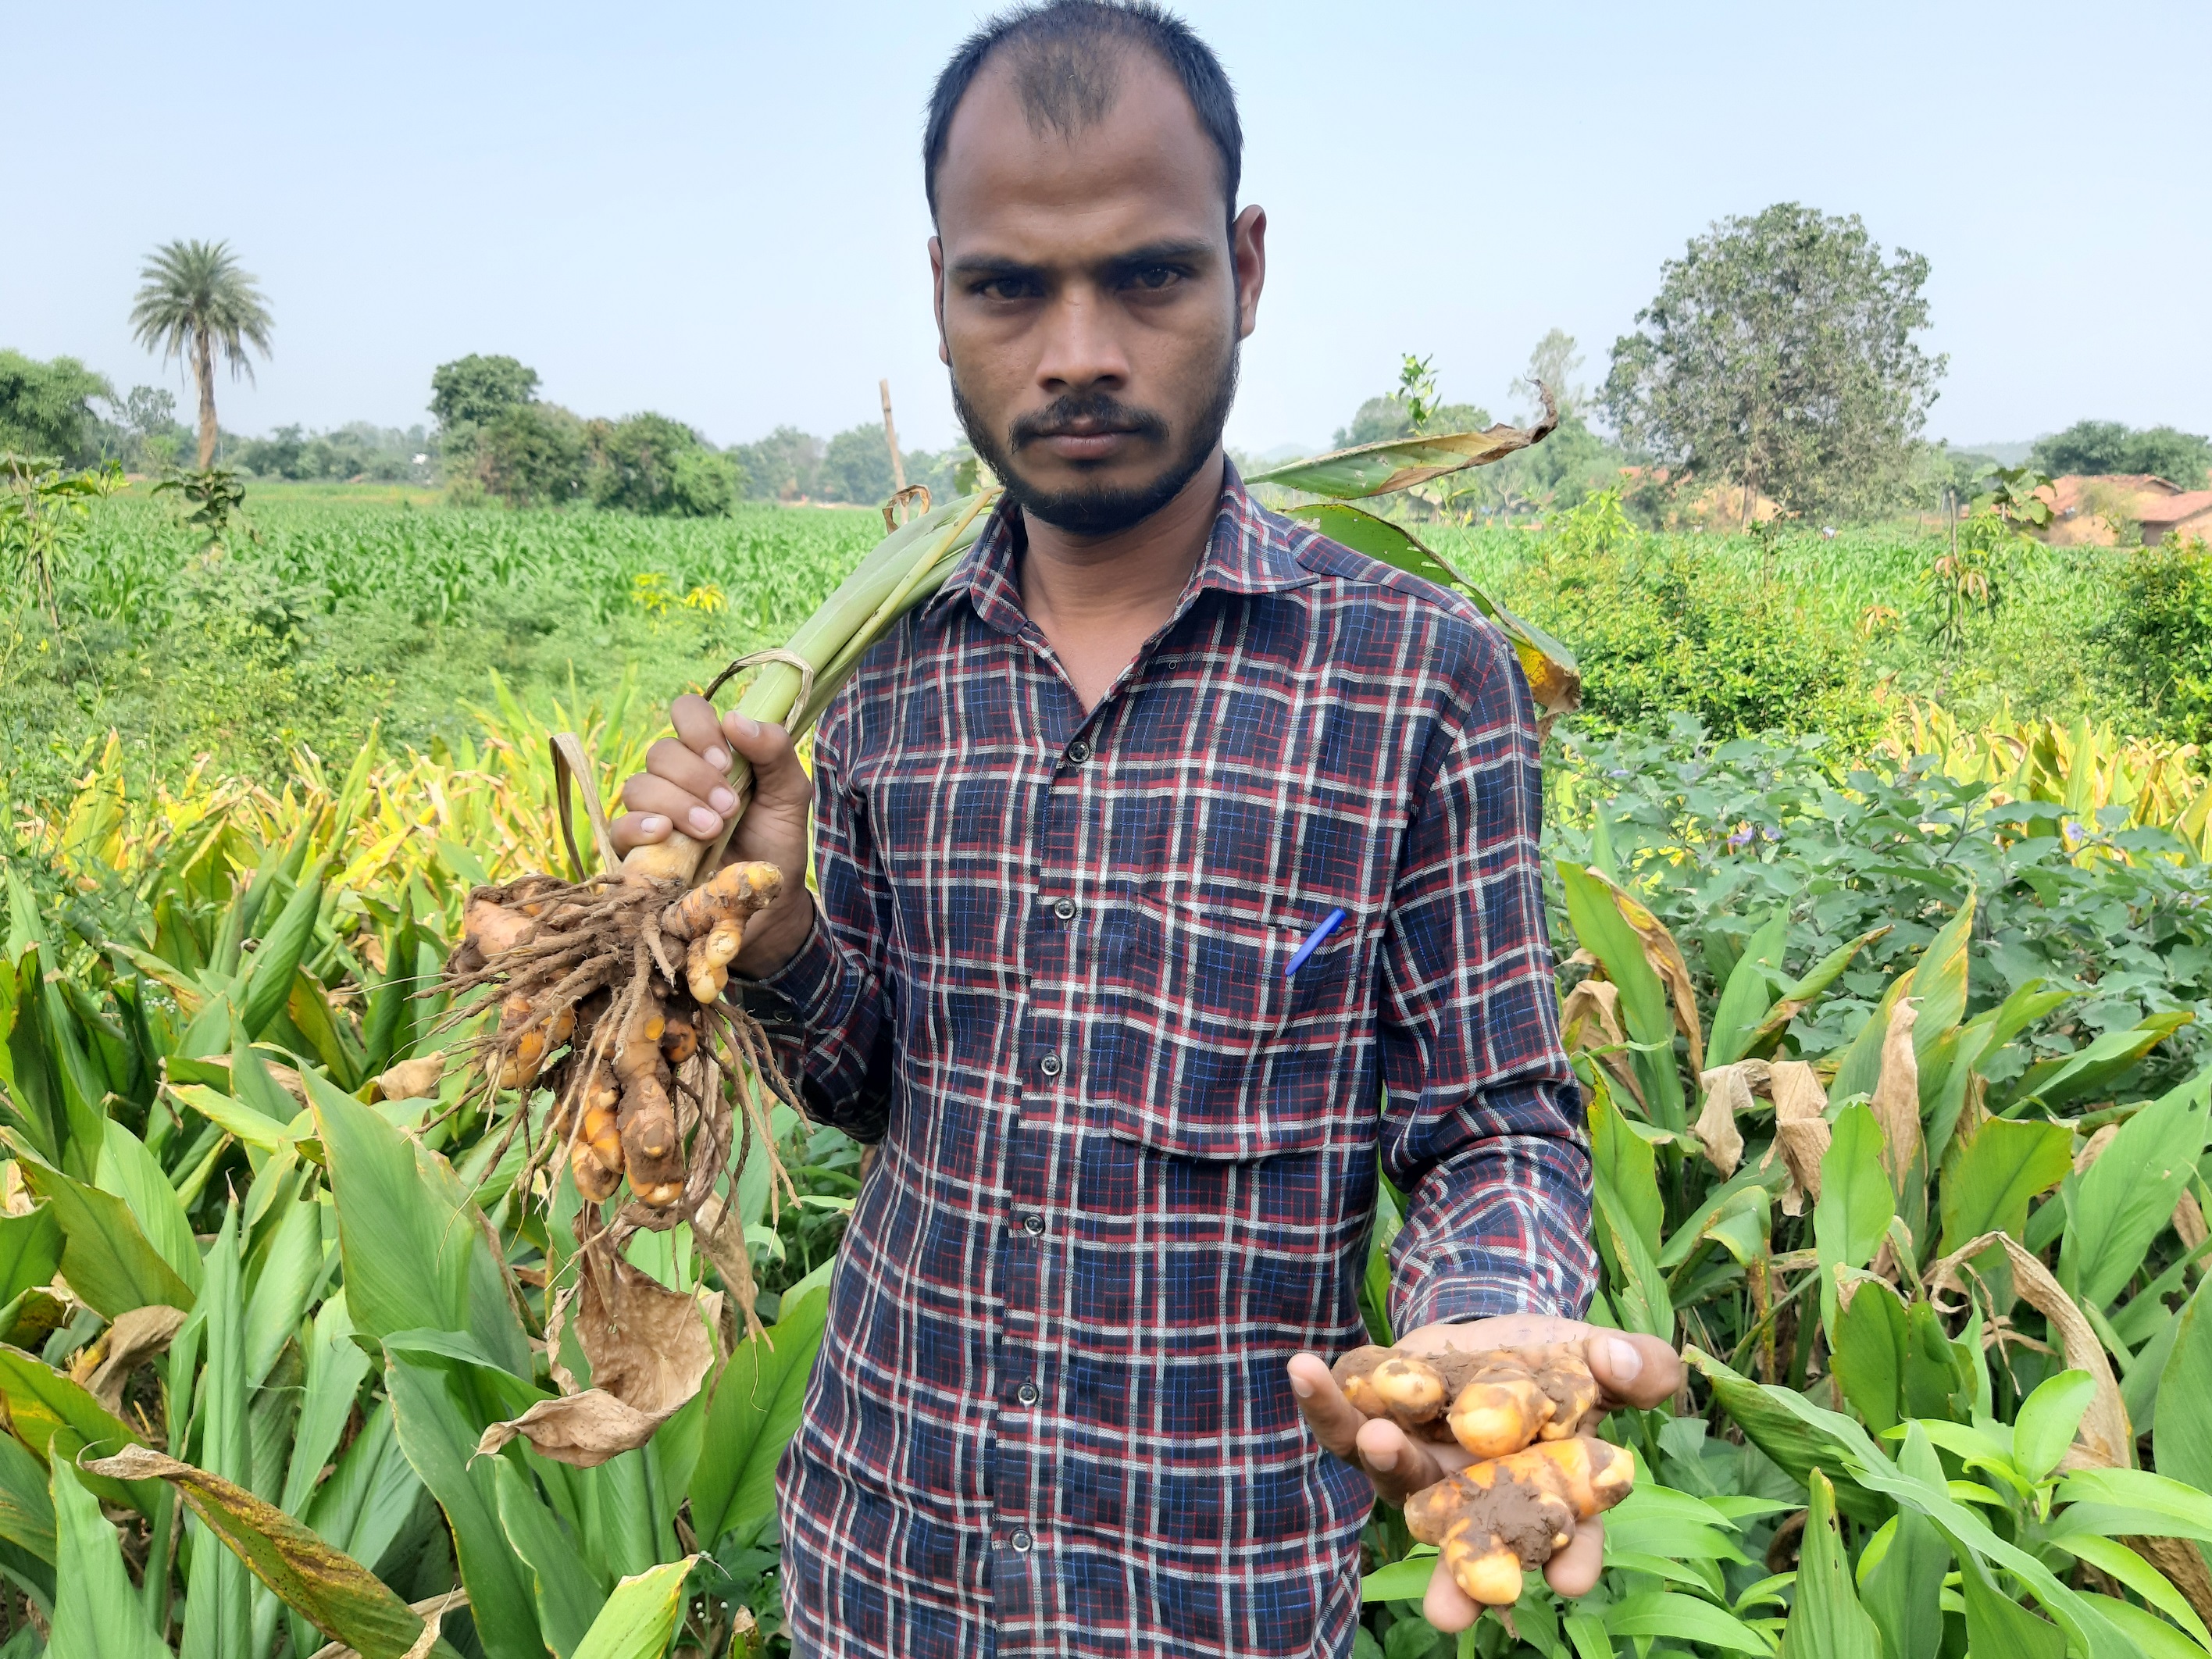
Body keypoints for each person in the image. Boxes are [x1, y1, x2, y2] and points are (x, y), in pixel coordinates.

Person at [611, 3, 1681, 1652]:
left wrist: (1487, 1324)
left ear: (1246, 267)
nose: (1079, 349)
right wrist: (781, 920)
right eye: (1009, 286)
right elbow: (875, 1084)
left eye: (1151, 275)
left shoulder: (1417, 676)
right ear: (945, 292)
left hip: (1218, 1591)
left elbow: (1490, 1119)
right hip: (886, 1560)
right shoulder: (882, 677)